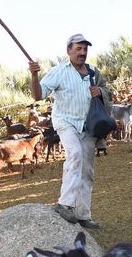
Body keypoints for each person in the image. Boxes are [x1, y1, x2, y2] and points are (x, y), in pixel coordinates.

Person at [29, 33, 112, 229]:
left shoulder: (93, 72)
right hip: (66, 122)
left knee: (87, 170)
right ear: (69, 51)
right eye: (78, 49)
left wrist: (101, 92)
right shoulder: (59, 72)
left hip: (88, 125)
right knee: (74, 153)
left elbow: (108, 90)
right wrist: (34, 75)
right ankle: (64, 204)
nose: (82, 53)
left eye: (85, 49)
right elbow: (38, 95)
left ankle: (83, 215)